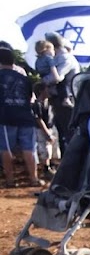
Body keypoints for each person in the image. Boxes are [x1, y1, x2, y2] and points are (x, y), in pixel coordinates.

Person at [0, 47, 41, 188]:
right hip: (25, 116)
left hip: (6, 117)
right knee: (29, 148)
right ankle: (34, 179)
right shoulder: (25, 78)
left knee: (6, 149)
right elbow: (30, 98)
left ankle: (10, 181)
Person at [44, 32, 80, 154]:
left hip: (66, 101)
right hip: (59, 100)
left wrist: (43, 81)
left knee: (68, 133)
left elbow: (57, 77)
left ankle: (72, 165)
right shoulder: (59, 57)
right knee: (63, 132)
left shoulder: (64, 58)